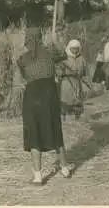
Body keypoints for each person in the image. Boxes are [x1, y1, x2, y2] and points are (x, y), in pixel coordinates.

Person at [17, 27, 72, 185]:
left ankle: (38, 176)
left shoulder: (22, 59)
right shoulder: (50, 53)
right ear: (40, 38)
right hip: (49, 96)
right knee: (55, 129)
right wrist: (55, 42)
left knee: (34, 132)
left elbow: (24, 75)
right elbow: (64, 55)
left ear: (27, 41)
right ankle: (64, 168)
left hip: (32, 96)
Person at [58, 39, 89, 121]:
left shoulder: (81, 58)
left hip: (77, 82)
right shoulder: (64, 58)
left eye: (77, 48)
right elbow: (59, 70)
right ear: (69, 48)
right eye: (73, 48)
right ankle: (64, 117)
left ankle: (77, 118)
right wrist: (64, 73)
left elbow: (85, 72)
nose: (75, 50)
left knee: (77, 100)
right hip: (66, 82)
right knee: (65, 100)